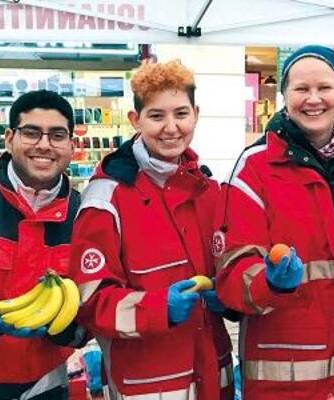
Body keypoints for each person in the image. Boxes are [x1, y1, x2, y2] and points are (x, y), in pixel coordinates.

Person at [214, 45, 334, 400]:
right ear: (284, 95)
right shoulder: (254, 170)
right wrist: (267, 283)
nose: (313, 99)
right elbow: (231, 271)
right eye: (301, 89)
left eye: (324, 88)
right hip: (290, 385)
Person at [68, 60, 233, 399]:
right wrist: (157, 308)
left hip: (213, 377)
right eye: (157, 116)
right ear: (135, 119)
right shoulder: (105, 198)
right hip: (147, 386)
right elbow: (90, 302)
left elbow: (228, 264)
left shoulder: (208, 189)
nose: (171, 127)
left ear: (196, 115)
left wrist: (230, 296)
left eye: (181, 114)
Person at [0, 90, 86, 399]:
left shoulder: (86, 216)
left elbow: (94, 305)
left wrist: (72, 329)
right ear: (9, 138)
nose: (44, 145)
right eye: (31, 133)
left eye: (57, 135)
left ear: (72, 145)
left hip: (45, 385)